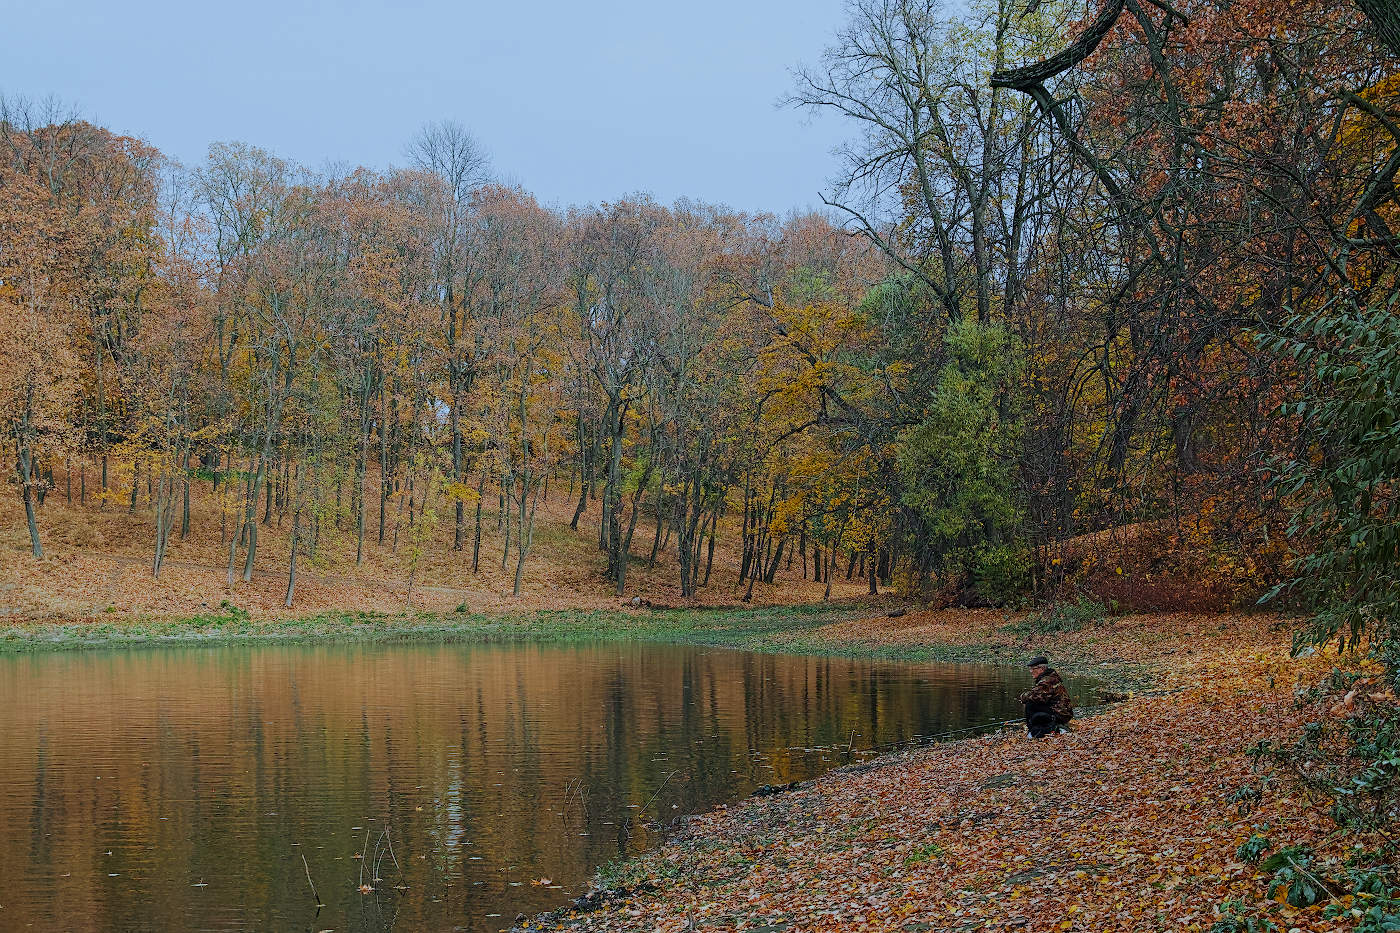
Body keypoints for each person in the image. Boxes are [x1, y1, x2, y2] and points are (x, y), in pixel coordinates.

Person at [1019, 655, 1074, 738]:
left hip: (1060, 714)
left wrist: (1023, 696)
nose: (1031, 671)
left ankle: (1034, 732)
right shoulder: (1050, 677)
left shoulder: (1047, 681)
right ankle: (1040, 729)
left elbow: (1035, 697)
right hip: (1062, 712)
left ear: (1041, 669)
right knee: (1033, 705)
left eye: (1033, 669)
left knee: (1030, 705)